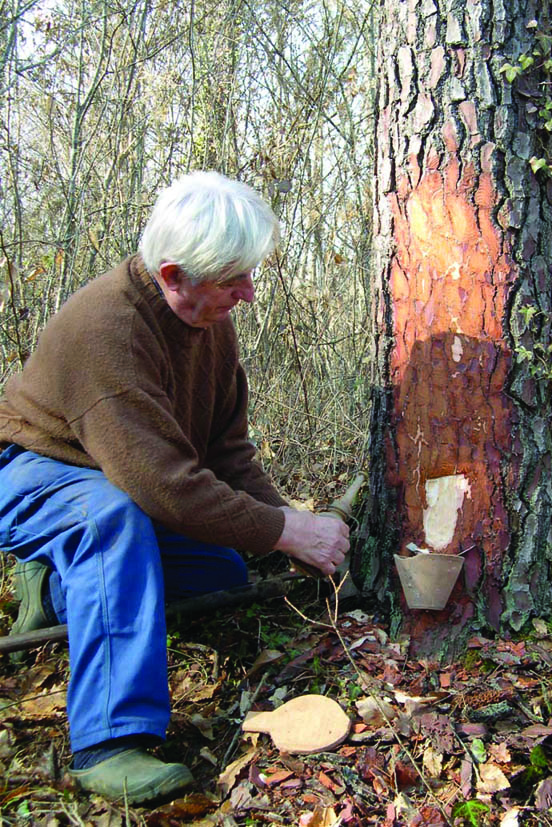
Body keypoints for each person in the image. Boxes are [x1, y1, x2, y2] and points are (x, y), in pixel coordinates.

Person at [0, 171, 349, 803]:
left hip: (115, 474)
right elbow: (167, 488)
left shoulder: (210, 323)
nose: (247, 292)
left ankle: (55, 587)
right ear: (171, 276)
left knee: (220, 573)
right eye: (232, 278)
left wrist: (287, 531)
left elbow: (228, 453)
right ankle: (109, 741)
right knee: (109, 522)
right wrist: (291, 530)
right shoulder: (105, 332)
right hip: (32, 468)